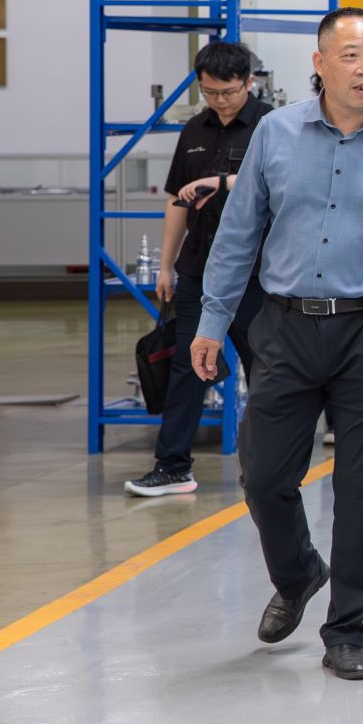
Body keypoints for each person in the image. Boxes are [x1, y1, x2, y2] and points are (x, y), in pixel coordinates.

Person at [191, 6, 363, 682]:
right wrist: (211, 318)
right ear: (319, 63)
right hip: (285, 326)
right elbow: (238, 233)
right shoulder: (276, 134)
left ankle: (345, 630)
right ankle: (298, 573)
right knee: (264, 475)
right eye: (351, 56)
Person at [124, 41, 271, 497]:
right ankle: (172, 467)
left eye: (228, 91)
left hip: (255, 276)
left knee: (265, 370)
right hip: (198, 271)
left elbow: (279, 184)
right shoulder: (193, 130)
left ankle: (266, 469)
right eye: (210, 92)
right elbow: (177, 201)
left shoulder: (272, 126)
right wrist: (166, 266)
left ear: (249, 82)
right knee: (186, 366)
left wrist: (221, 182)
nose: (220, 100)